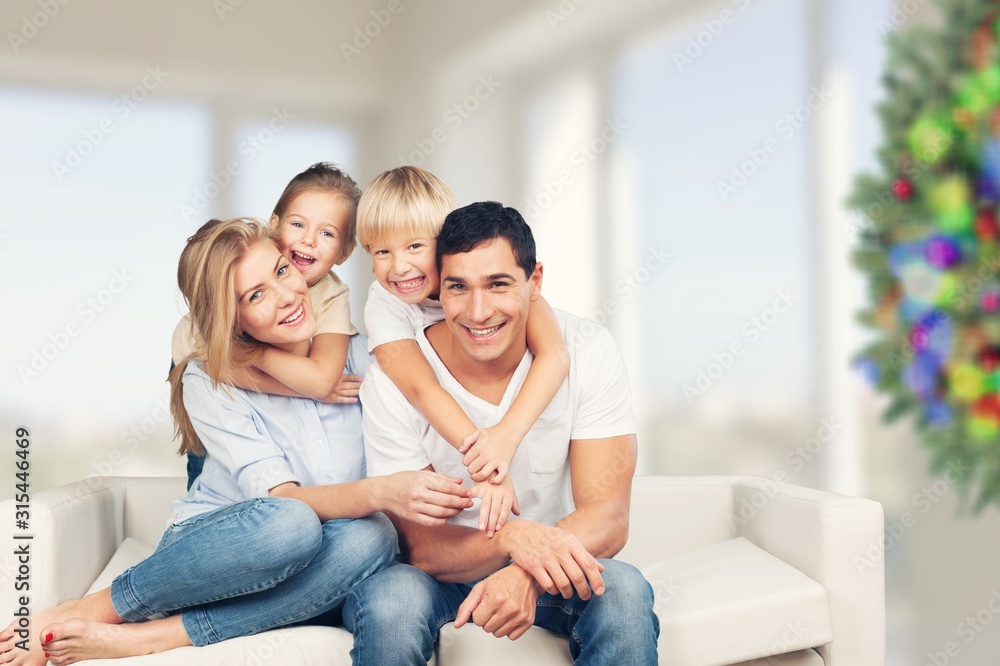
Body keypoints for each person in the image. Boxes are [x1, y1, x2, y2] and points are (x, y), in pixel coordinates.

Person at [0, 218, 473, 666]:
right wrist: (380, 491)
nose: (288, 296)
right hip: (224, 553)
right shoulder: (209, 379)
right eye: (256, 295)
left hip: (331, 564)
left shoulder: (370, 357)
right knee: (292, 523)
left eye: (283, 271)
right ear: (234, 319)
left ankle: (148, 638)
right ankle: (92, 610)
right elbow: (285, 503)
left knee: (374, 537)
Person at [343, 202, 658, 665]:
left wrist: (527, 569)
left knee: (623, 590)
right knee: (391, 597)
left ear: (535, 282)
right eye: (458, 287)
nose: (478, 311)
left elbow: (608, 515)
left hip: (548, 568)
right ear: (437, 287)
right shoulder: (394, 377)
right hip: (440, 578)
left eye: (498, 285)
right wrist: (511, 540)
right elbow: (422, 547)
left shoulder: (586, 349)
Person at [356, 167, 570, 537]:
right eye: (382, 252)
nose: (399, 266)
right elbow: (422, 387)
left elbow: (555, 355)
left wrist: (506, 436)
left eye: (415, 246)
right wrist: (487, 466)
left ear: (443, 245)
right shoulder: (384, 304)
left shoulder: (497, 279)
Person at [175, 162, 364, 488]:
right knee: (209, 466)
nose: (308, 240)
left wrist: (258, 355)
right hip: (210, 383)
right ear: (274, 226)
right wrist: (259, 357)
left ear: (344, 253)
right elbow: (214, 369)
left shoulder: (331, 296)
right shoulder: (221, 297)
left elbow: (320, 381)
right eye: (298, 224)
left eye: (327, 233)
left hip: (249, 368)